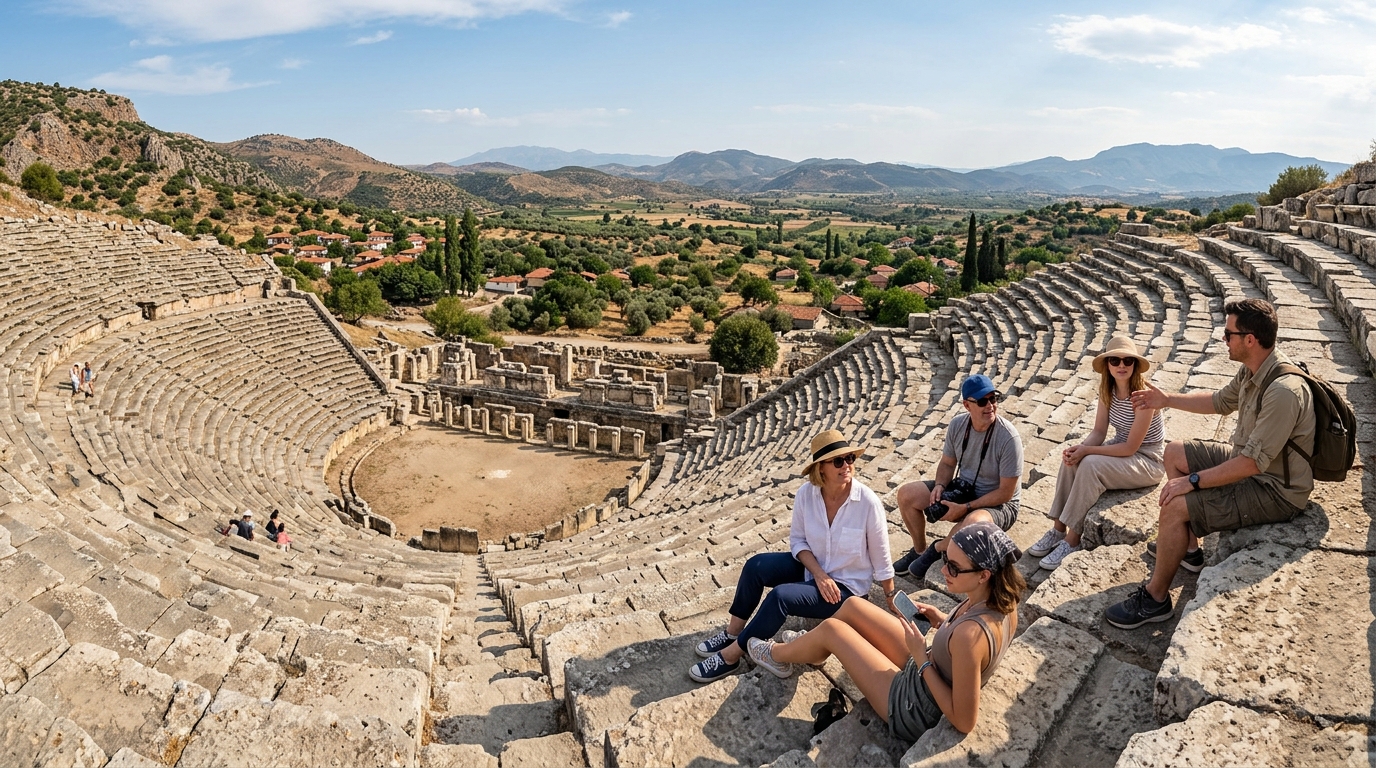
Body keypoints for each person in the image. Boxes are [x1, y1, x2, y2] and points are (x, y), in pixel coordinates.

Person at [1106, 298, 1315, 628]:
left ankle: (1156, 599)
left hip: (1273, 489)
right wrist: (1167, 400)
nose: (1223, 339)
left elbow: (1251, 465)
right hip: (1249, 464)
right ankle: (1189, 550)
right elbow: (1220, 402)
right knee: (1174, 452)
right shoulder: (1254, 369)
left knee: (1175, 505)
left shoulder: (1282, 391)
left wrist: (1191, 482)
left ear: (1249, 339)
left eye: (1228, 333)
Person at [748, 522, 1024, 742]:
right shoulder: (1001, 601)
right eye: (945, 559)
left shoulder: (969, 636)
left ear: (984, 574)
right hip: (933, 668)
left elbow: (964, 721)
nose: (943, 570)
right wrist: (941, 620)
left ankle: (777, 655)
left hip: (914, 707)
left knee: (833, 629)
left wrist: (921, 659)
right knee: (853, 605)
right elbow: (970, 657)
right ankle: (812, 650)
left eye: (953, 567)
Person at [688, 430, 896, 683]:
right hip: (814, 569)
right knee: (756, 566)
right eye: (838, 461)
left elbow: (882, 559)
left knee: (781, 596)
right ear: (820, 468)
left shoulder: (867, 502)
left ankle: (731, 656)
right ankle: (733, 632)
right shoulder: (806, 495)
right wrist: (818, 575)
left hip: (846, 589)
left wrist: (890, 599)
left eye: (850, 458)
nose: (847, 466)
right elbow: (798, 541)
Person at [1027, 335, 1166, 569]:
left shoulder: (1143, 397)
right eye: (1115, 360)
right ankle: (1058, 529)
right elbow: (1099, 431)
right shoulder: (1107, 391)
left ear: (1134, 365)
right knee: (1071, 459)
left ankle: (1073, 539)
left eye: (1127, 361)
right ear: (1107, 365)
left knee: (1090, 463)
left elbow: (1131, 447)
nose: (1121, 365)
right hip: (1121, 449)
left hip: (1147, 460)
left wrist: (1088, 452)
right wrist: (1079, 449)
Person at [893, 374, 1024, 581]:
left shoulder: (1008, 437)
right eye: (982, 401)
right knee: (906, 494)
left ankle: (938, 547)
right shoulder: (957, 425)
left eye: (993, 399)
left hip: (1000, 504)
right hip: (965, 488)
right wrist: (939, 485)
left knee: (972, 522)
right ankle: (919, 549)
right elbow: (947, 463)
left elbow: (1005, 493)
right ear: (967, 405)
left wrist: (966, 508)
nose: (990, 405)